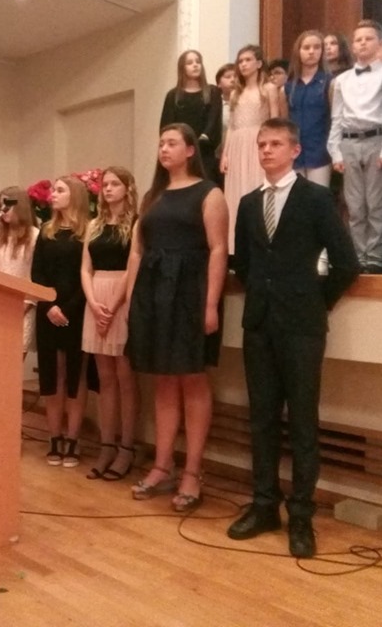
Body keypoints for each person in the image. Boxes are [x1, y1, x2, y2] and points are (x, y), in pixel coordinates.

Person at [227, 118, 358, 557]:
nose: (266, 150)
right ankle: (264, 505)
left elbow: (346, 263)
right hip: (259, 326)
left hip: (302, 326)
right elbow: (244, 264)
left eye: (275, 143)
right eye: (261, 144)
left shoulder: (316, 198)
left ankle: (301, 515)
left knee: (302, 422)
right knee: (261, 419)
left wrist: (316, 301)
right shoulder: (248, 204)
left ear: (295, 150)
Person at [127, 124, 228, 512]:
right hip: (153, 293)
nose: (163, 149)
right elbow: (137, 252)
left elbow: (218, 250)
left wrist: (210, 305)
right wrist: (133, 301)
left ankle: (192, 472)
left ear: (189, 150)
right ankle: (162, 465)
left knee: (193, 379)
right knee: (164, 381)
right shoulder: (152, 197)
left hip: (190, 293)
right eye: (160, 144)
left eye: (171, 143)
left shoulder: (209, 193)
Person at [80, 167, 139, 481]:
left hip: (122, 298)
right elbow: (85, 268)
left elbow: (132, 267)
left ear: (128, 188)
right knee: (105, 379)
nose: (108, 189)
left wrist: (113, 307)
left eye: (115, 184)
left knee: (125, 377)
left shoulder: (137, 224)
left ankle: (127, 447)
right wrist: (93, 303)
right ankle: (106, 446)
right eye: (105, 184)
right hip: (96, 298)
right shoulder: (94, 224)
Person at [31, 176, 91, 468]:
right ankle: (54, 437)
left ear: (75, 196)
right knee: (53, 375)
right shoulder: (46, 231)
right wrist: (50, 306)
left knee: (74, 375)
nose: (52, 195)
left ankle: (73, 438)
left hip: (76, 311)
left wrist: (67, 308)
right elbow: (37, 273)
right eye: (52, 190)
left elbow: (87, 274)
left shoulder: (88, 232)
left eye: (59, 190)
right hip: (48, 312)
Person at [327, 19, 382, 273]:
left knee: (376, 203)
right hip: (349, 141)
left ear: (379, 43)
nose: (363, 43)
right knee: (354, 205)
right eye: (358, 40)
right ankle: (358, 256)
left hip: (376, 139)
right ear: (353, 46)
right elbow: (337, 117)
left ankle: (375, 257)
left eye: (369, 39)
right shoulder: (342, 79)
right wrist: (335, 151)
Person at [220, 44, 281, 253]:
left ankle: (262, 243)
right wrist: (225, 154)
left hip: (258, 143)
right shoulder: (236, 92)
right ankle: (237, 246)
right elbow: (231, 126)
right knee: (237, 193)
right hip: (237, 145)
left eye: (248, 60)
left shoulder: (268, 89)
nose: (243, 64)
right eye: (240, 61)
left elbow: (274, 120)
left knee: (257, 188)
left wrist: (272, 145)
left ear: (259, 63)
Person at [160, 49, 224, 187]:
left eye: (198, 62)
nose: (195, 65)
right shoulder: (173, 95)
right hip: (181, 153)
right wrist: (178, 145)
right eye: (190, 63)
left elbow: (214, 121)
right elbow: (167, 127)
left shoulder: (212, 92)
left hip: (205, 152)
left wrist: (202, 138)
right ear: (182, 68)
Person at [0, 186, 39, 356]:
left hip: (23, 306)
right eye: (0, 205)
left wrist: (25, 305)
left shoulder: (34, 236)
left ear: (20, 206)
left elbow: (35, 274)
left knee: (14, 360)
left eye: (7, 205)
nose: (3, 209)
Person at [284, 30, 333, 188]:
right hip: (295, 152)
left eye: (316, 47)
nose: (311, 52)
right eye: (306, 48)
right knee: (296, 196)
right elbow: (284, 121)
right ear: (298, 51)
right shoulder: (289, 86)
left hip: (320, 151)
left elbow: (334, 118)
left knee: (318, 195)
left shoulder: (329, 82)